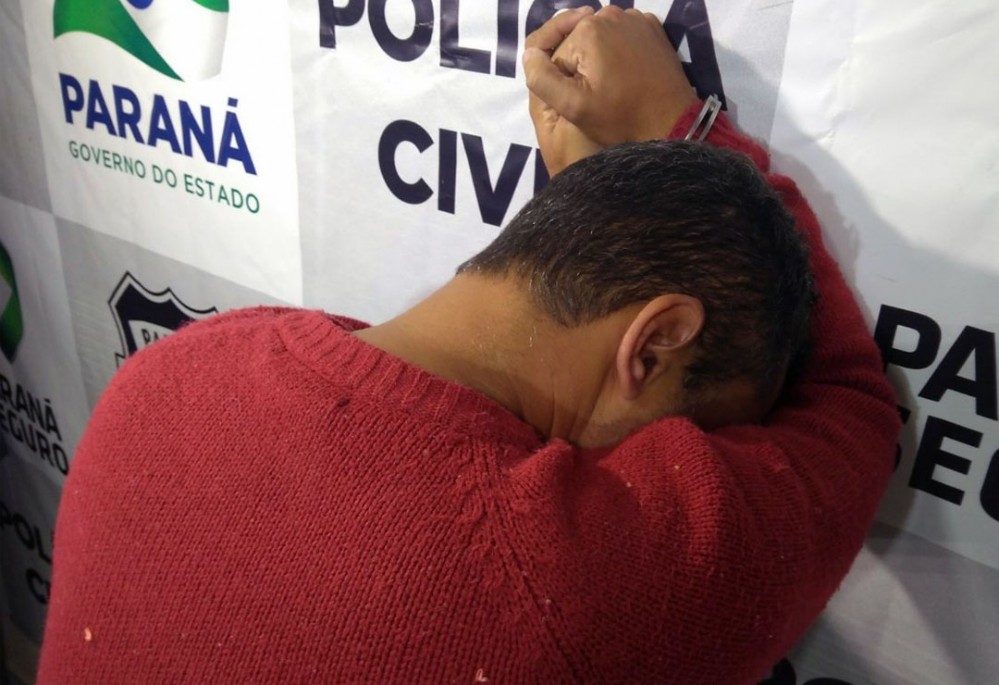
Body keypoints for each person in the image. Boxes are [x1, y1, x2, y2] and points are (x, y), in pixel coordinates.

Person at [37, 7, 899, 684]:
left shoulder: (176, 372)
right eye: (703, 430)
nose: (689, 458)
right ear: (655, 346)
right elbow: (853, 412)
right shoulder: (569, 590)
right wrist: (681, 123)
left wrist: (602, 191)